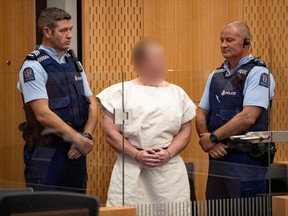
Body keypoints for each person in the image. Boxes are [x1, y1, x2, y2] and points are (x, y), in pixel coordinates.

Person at [96, 38, 196, 213]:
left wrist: (168, 152)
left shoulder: (177, 94)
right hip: (131, 166)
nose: (160, 63)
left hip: (169, 170)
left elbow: (186, 130)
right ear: (140, 62)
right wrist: (137, 154)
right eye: (155, 58)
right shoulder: (122, 93)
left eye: (161, 58)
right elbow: (112, 132)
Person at [17, 7, 97, 193]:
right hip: (47, 150)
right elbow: (42, 113)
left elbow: (92, 104)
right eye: (63, 30)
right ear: (47, 32)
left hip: (76, 151)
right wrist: (78, 139)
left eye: (70, 29)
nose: (69, 35)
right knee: (45, 208)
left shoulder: (74, 62)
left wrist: (85, 137)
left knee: (77, 208)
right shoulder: (33, 66)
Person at [196, 21, 275, 202]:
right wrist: (207, 139)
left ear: (246, 42)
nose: (223, 44)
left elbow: (248, 117)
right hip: (217, 158)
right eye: (221, 40)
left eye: (229, 40)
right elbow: (200, 113)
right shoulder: (215, 75)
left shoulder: (258, 73)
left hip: (246, 161)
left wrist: (213, 138)